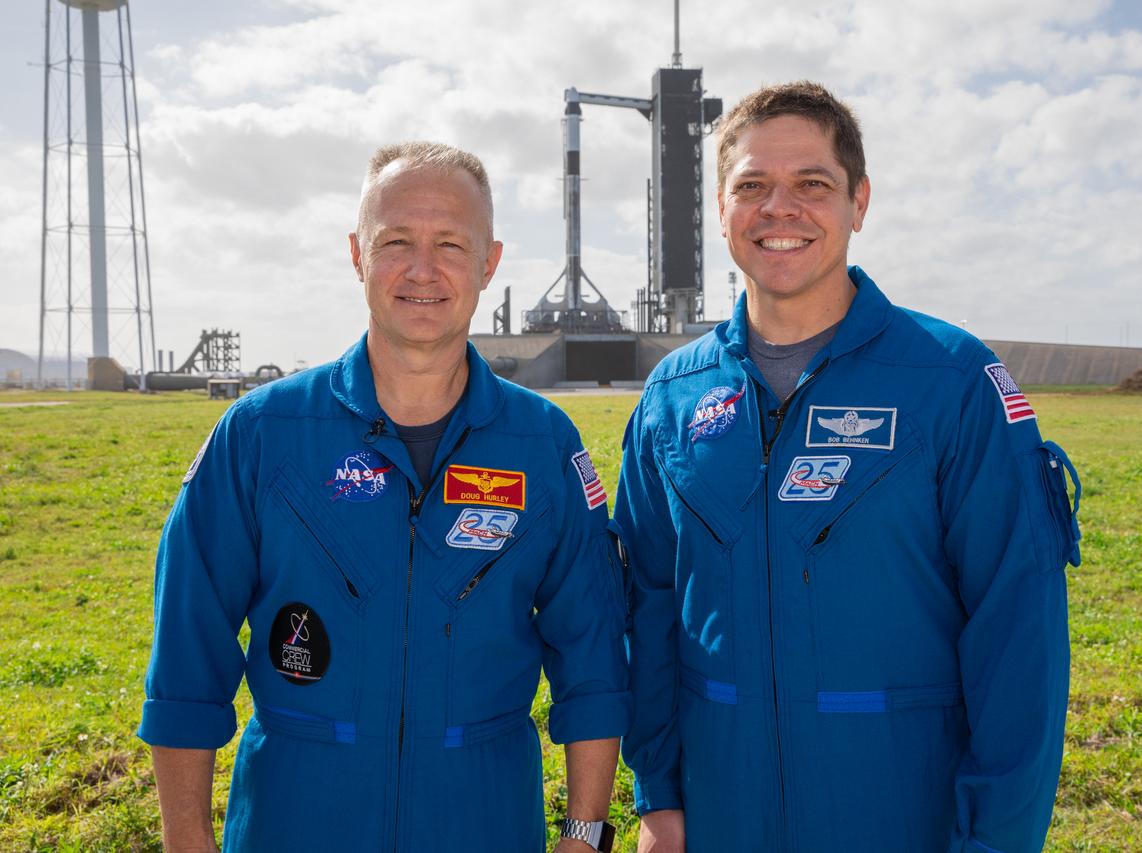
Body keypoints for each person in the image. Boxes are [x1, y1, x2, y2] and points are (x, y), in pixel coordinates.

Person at [614, 82, 1082, 852]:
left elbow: (1019, 641)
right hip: (722, 815)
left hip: (903, 817)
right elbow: (649, 608)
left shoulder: (952, 381)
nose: (780, 208)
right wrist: (658, 794)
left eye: (813, 184)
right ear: (721, 212)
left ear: (859, 202)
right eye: (752, 186)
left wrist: (994, 840)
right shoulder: (673, 396)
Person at [138, 141, 628, 852]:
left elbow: (593, 659)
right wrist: (187, 840)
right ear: (357, 252)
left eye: (451, 244)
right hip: (294, 824)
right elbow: (186, 656)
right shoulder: (263, 434)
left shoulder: (543, 445)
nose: (422, 270)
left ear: (489, 261)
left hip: (483, 823)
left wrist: (584, 836)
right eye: (396, 240)